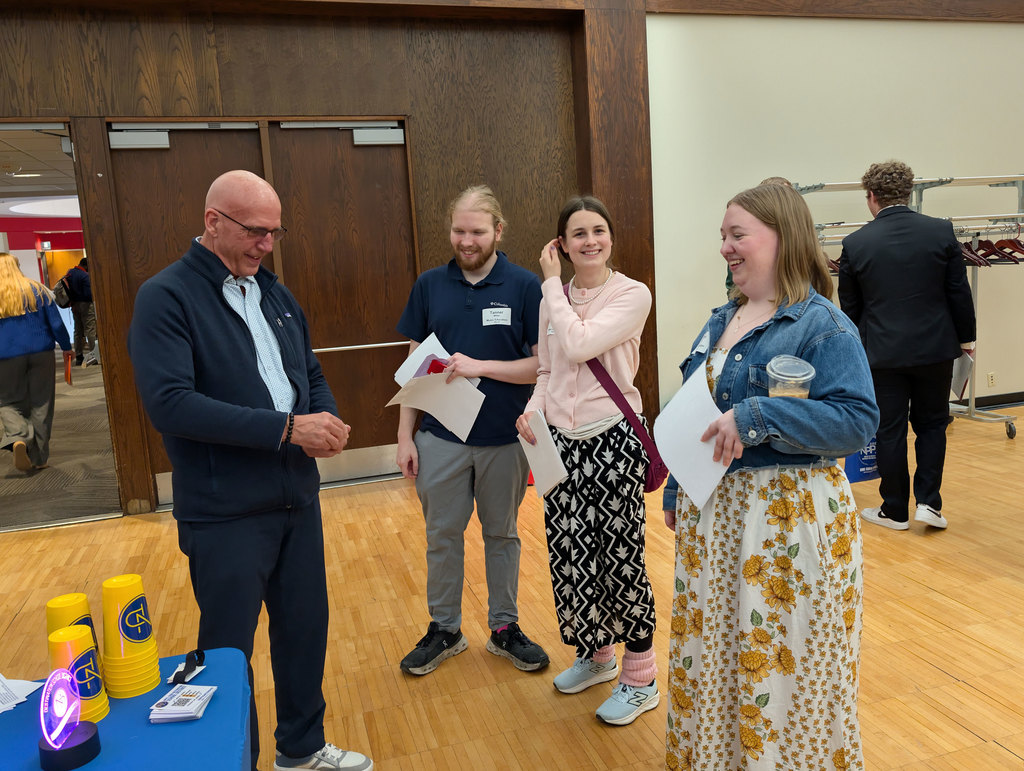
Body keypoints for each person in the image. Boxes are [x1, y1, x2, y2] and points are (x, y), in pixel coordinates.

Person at [128, 171, 372, 771]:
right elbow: (171, 404)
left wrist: (326, 418)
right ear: (213, 222)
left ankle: (302, 750)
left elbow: (307, 373)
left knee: (304, 633)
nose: (267, 245)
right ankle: (235, 760)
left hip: (296, 501)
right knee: (229, 653)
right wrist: (288, 429)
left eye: (274, 233)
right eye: (255, 232)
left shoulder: (275, 294)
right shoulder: (167, 297)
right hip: (225, 513)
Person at [662, 184, 879, 769]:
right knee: (721, 662)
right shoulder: (719, 320)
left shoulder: (821, 324)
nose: (726, 249)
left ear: (782, 237)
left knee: (785, 667)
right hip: (718, 523)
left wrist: (759, 415)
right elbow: (696, 410)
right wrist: (679, 485)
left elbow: (857, 422)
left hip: (787, 524)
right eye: (723, 238)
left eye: (739, 236)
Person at [516, 195, 658, 726]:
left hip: (612, 438)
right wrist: (531, 413)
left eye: (598, 230)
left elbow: (578, 347)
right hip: (560, 444)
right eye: (578, 233)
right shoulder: (553, 298)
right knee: (572, 557)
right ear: (563, 243)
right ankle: (597, 655)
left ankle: (640, 678)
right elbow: (548, 370)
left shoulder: (631, 295)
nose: (590, 241)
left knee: (619, 556)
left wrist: (550, 283)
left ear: (611, 237)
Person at [395, 184, 549, 677]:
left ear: (498, 231)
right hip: (439, 440)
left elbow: (540, 367)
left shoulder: (525, 287)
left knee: (502, 535)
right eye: (459, 230)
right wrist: (404, 436)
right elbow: (415, 365)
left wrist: (481, 366)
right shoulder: (428, 286)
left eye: (477, 231)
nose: (466, 240)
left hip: (505, 440)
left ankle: (504, 628)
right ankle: (445, 629)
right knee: (442, 536)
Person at [839, 160, 976, 532]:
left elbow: (850, 308)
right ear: (909, 193)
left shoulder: (855, 243)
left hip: (881, 353)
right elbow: (957, 293)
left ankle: (894, 509)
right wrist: (967, 339)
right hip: (936, 348)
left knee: (890, 429)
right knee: (933, 425)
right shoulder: (941, 232)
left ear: (871, 196)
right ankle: (929, 504)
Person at [0, 252, 72, 472]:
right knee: (42, 403)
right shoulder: (38, 290)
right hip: (42, 354)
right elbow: (57, 324)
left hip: (5, 357)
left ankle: (18, 436)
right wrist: (67, 346)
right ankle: (39, 458)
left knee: (8, 402)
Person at [62, 256, 98, 366]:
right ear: (86, 266)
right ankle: (94, 356)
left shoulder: (70, 273)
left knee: (77, 331)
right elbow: (88, 294)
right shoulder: (85, 276)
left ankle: (79, 356)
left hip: (74, 305)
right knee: (90, 330)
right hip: (86, 305)